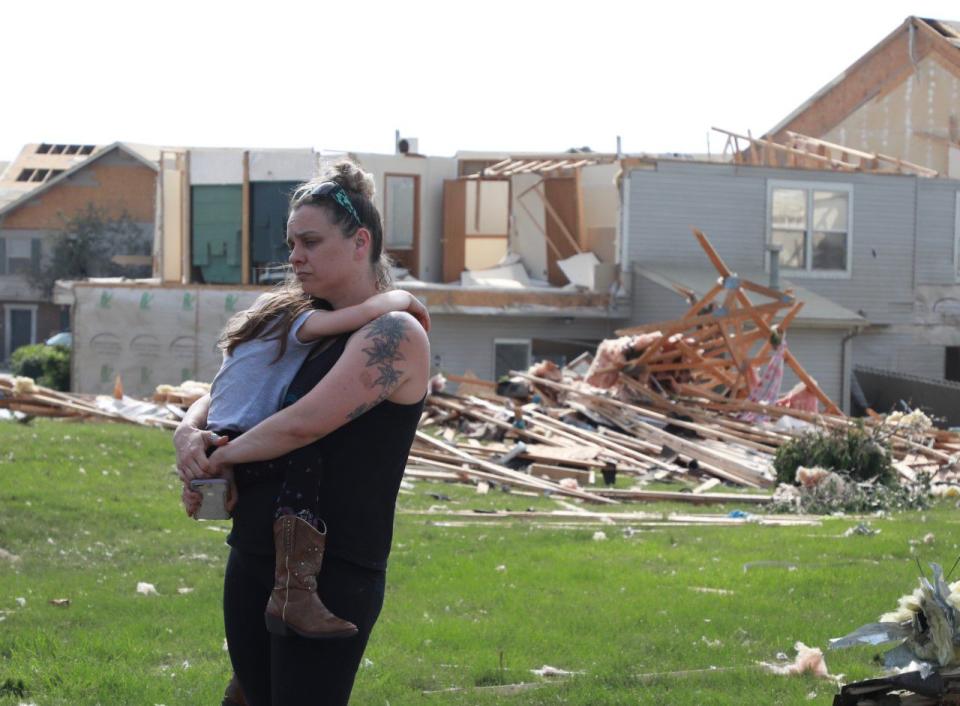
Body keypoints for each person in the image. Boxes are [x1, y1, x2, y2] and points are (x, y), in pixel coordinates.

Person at [174, 160, 430, 706]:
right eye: (292, 242)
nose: (294, 257)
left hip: (335, 571)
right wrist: (191, 431)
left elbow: (303, 422)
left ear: (360, 242)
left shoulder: (395, 334)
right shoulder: (292, 315)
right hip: (253, 550)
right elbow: (232, 388)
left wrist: (221, 456)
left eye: (310, 242)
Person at [200, 281, 430, 640]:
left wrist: (202, 443)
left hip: (219, 434)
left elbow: (218, 390)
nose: (295, 259)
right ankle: (295, 589)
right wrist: (405, 298)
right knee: (304, 457)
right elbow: (363, 314)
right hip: (241, 441)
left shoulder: (248, 341)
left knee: (218, 494)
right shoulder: (292, 325)